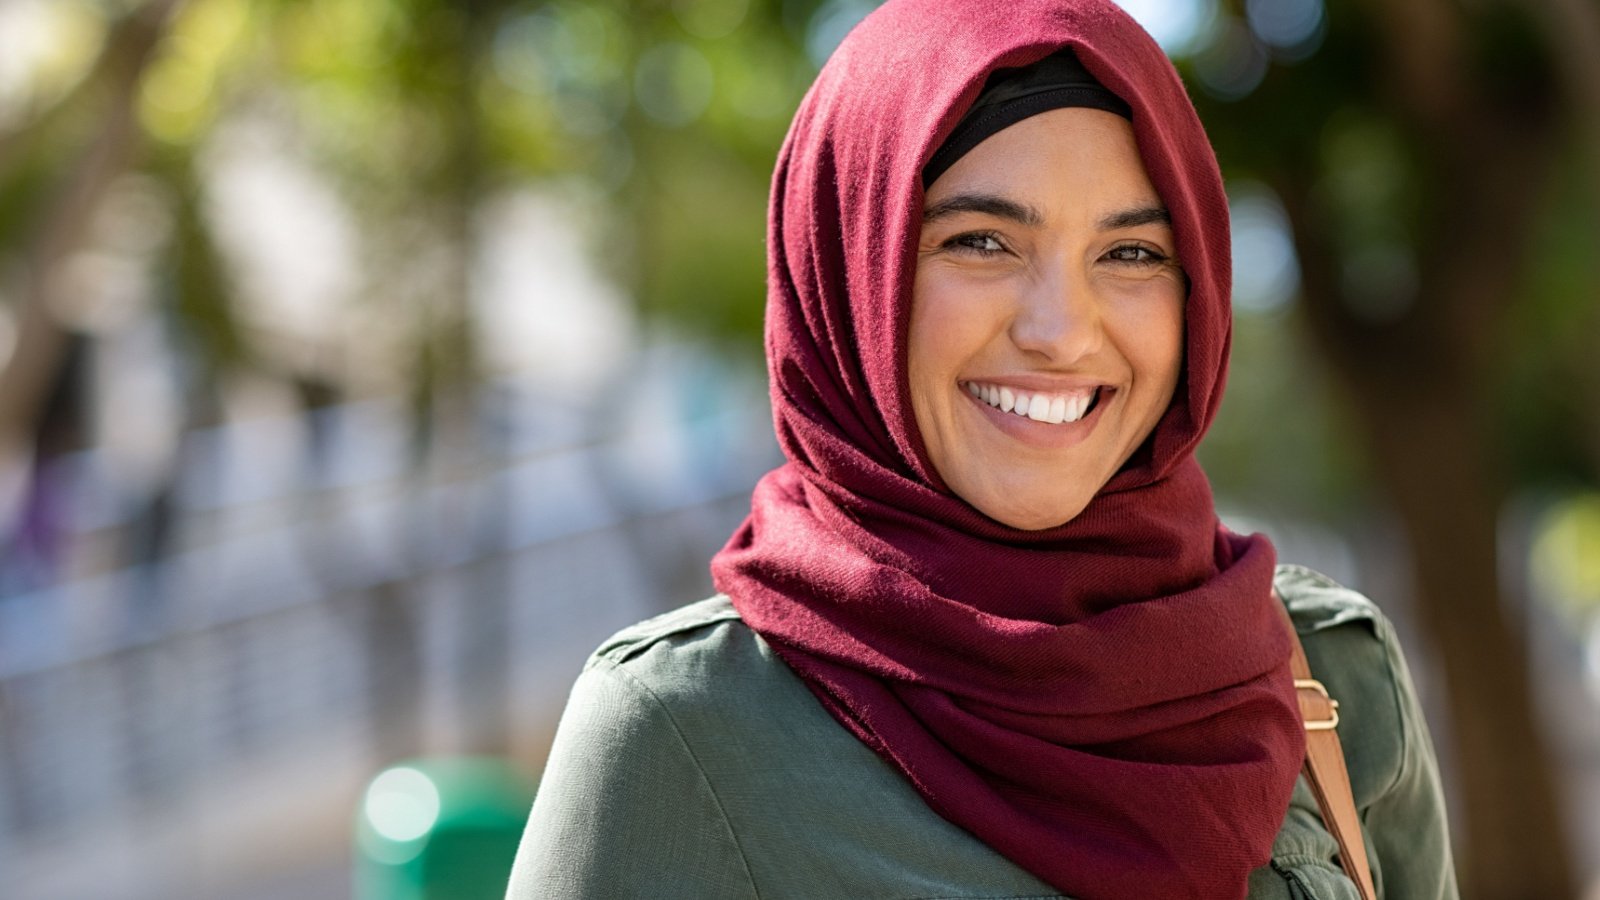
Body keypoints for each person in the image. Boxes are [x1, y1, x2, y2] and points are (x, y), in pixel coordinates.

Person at [506, 0, 1458, 897]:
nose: (1061, 332)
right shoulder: (682, 736)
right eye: (982, 242)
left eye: (1131, 254)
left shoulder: (1327, 671)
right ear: (847, 279)